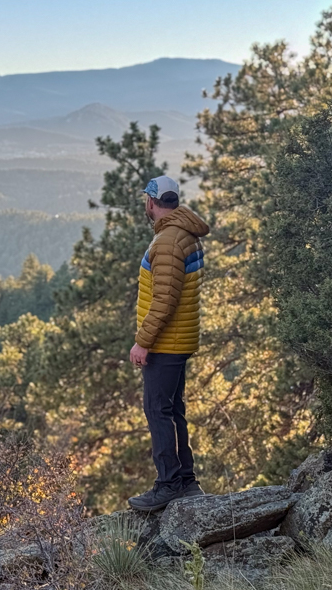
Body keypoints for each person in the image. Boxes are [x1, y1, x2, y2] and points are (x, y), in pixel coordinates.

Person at [127, 175, 210, 512]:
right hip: (179, 339)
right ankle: (186, 481)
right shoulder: (183, 234)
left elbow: (164, 300)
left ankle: (168, 484)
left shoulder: (167, 242)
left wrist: (143, 343)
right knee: (173, 410)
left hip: (166, 343)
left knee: (158, 410)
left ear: (151, 202)